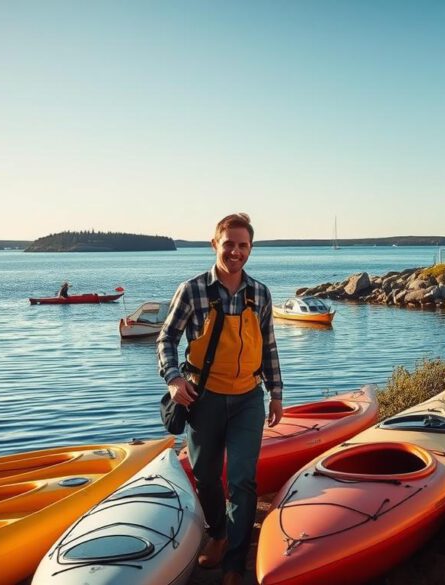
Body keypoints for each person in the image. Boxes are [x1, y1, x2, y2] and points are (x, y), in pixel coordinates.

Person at [156, 212, 284, 585]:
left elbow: (269, 348)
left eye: (243, 246)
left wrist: (276, 393)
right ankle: (218, 532)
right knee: (206, 476)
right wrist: (174, 378)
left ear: (250, 249)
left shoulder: (259, 293)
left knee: (243, 481)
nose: (236, 252)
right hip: (203, 398)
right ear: (215, 244)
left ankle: (233, 563)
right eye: (229, 244)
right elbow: (166, 339)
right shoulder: (192, 290)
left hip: (248, 399)